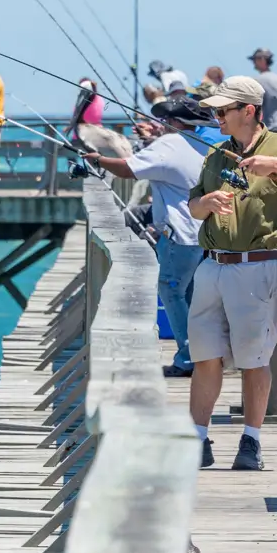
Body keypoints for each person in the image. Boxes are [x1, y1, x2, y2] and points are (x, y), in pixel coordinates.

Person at [189, 76, 277, 471]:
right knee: (204, 357)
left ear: (248, 110)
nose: (216, 117)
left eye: (222, 110)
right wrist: (206, 202)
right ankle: (198, 440)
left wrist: (271, 165)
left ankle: (251, 442)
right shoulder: (216, 154)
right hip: (211, 265)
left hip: (258, 268)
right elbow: (192, 205)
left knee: (254, 360)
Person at [86, 96, 222, 378]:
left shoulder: (169, 145)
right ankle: (207, 354)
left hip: (180, 234)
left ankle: (189, 358)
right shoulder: (201, 145)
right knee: (191, 295)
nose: (161, 125)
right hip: (205, 233)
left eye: (164, 121)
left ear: (174, 122)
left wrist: (98, 159)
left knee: (170, 289)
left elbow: (128, 169)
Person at [65, 78, 133, 159]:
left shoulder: (94, 100)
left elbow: (80, 115)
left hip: (90, 134)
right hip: (93, 130)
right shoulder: (98, 99)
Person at [249, 48, 277, 135]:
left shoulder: (259, 80)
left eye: (255, 60)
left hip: (270, 129)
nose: (253, 63)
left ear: (262, 60)